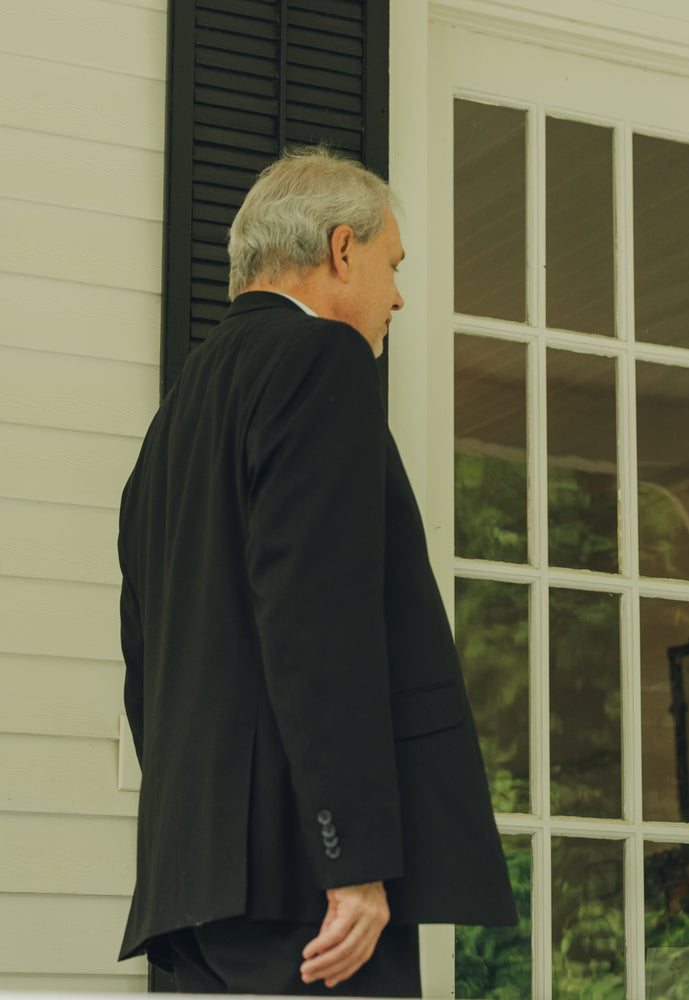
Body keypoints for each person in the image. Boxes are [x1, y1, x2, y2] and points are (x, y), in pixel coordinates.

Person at [117, 147, 516, 996]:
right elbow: (319, 620)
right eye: (392, 265)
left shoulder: (173, 422)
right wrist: (352, 858)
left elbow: (144, 661)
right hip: (305, 893)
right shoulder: (319, 358)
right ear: (342, 250)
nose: (398, 297)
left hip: (197, 895)